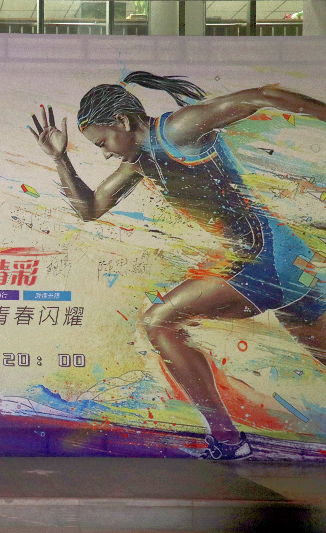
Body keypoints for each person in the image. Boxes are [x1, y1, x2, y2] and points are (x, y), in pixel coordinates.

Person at [29, 71, 326, 460]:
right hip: (288, 256)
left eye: (103, 143)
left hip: (267, 259)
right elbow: (90, 209)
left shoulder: (178, 130)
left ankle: (227, 440)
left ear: (122, 121)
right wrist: (60, 158)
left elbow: (262, 95)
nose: (105, 154)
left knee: (159, 322)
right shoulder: (139, 163)